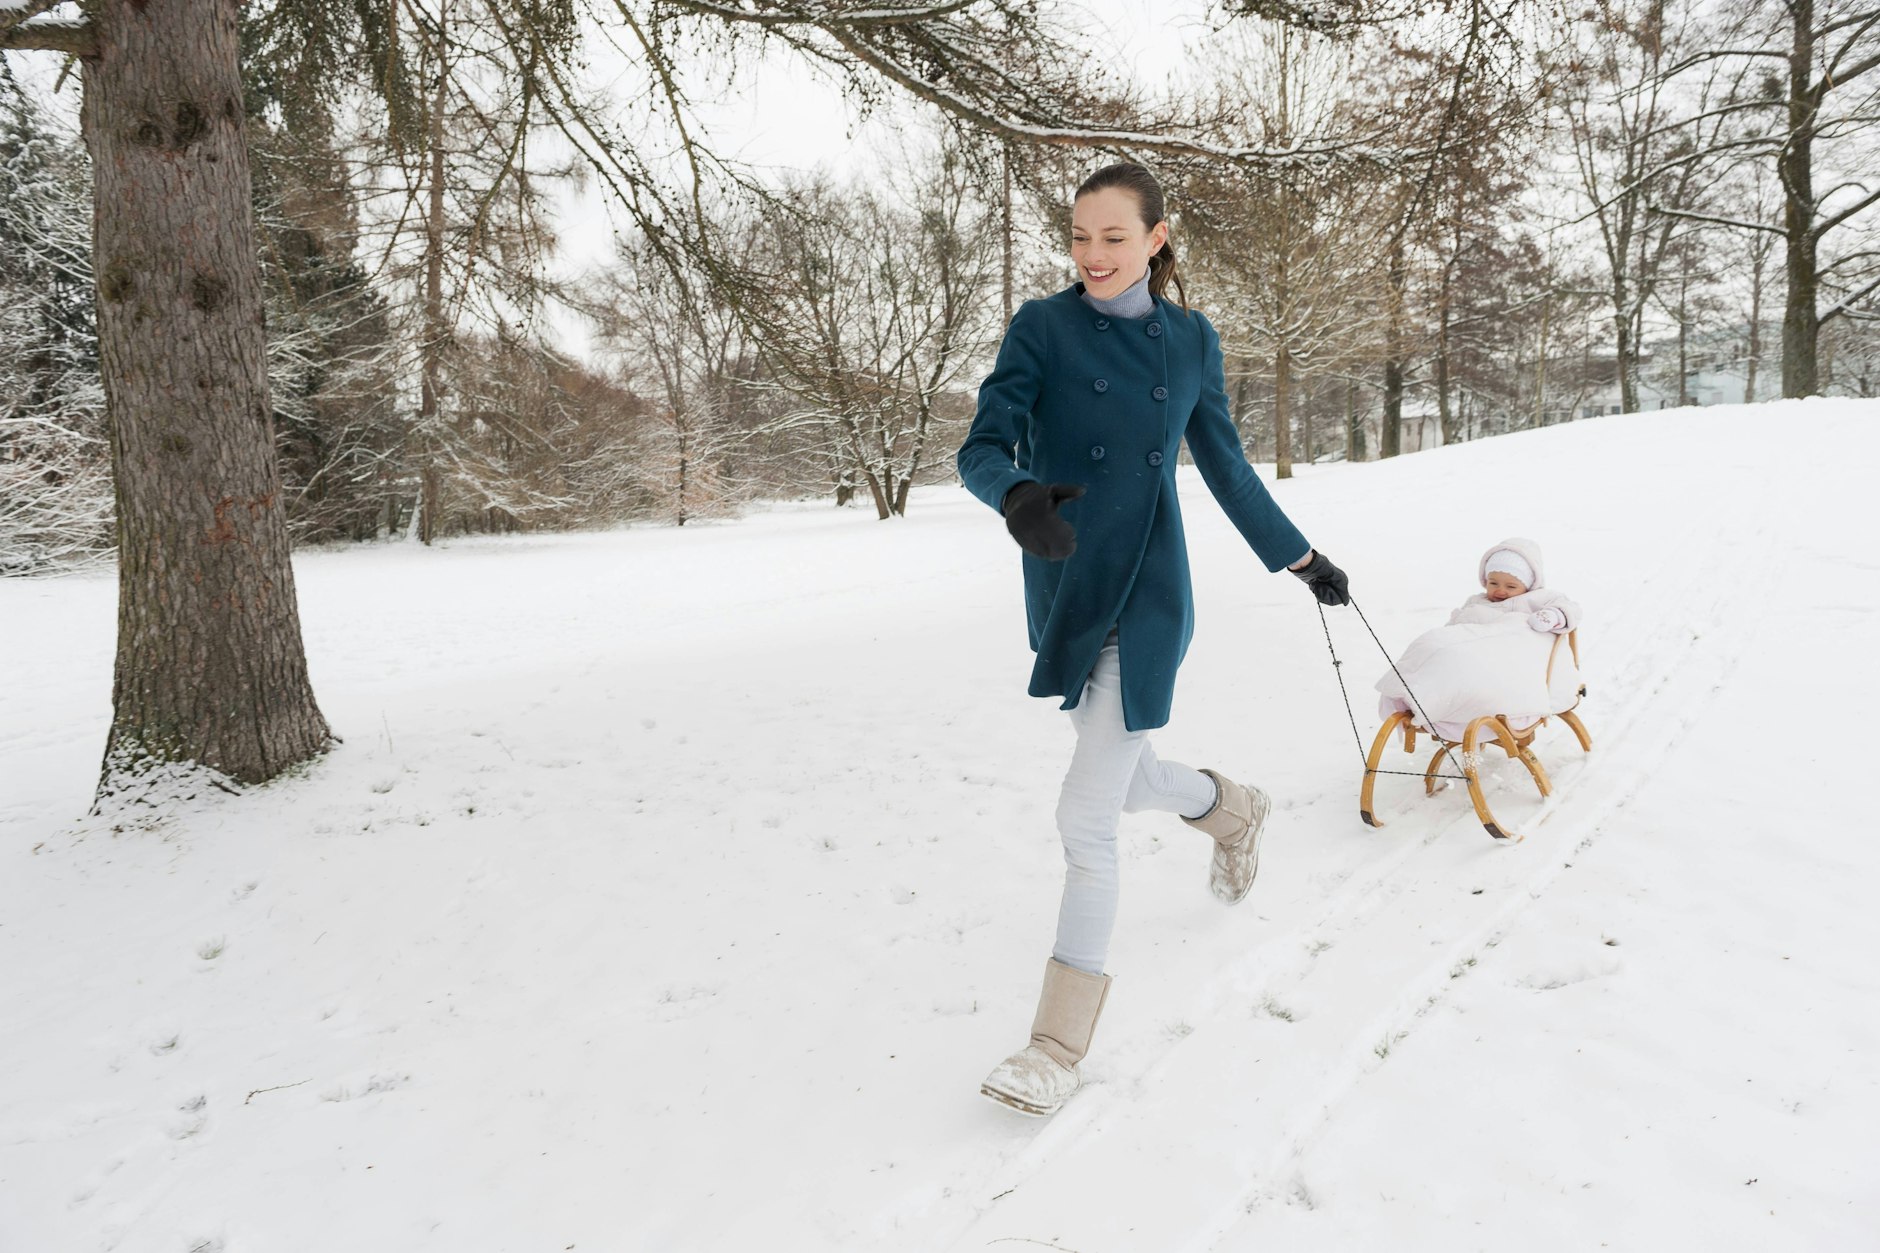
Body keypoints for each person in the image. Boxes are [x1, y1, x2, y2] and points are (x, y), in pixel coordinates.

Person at [956, 162, 1350, 1117]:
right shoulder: (1041, 328)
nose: (1092, 255)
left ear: (1157, 238)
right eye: (1080, 236)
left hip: (1150, 593)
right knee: (1122, 776)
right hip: (1066, 582)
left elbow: (1225, 468)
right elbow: (984, 439)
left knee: (1086, 818)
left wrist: (1301, 560)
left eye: (1114, 237)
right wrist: (1015, 496)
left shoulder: (1191, 341)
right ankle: (1229, 805)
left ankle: (1055, 1046)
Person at [1374, 538, 1583, 742]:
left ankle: (1427, 699)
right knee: (1435, 646)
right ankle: (1412, 695)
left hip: (1506, 667)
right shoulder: (1476, 602)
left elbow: (1571, 608)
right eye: (1493, 583)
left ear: (1528, 585)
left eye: (1511, 586)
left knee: (1454, 654)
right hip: (1472, 658)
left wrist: (1552, 616)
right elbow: (1457, 633)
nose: (1500, 591)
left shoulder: (1538, 599)